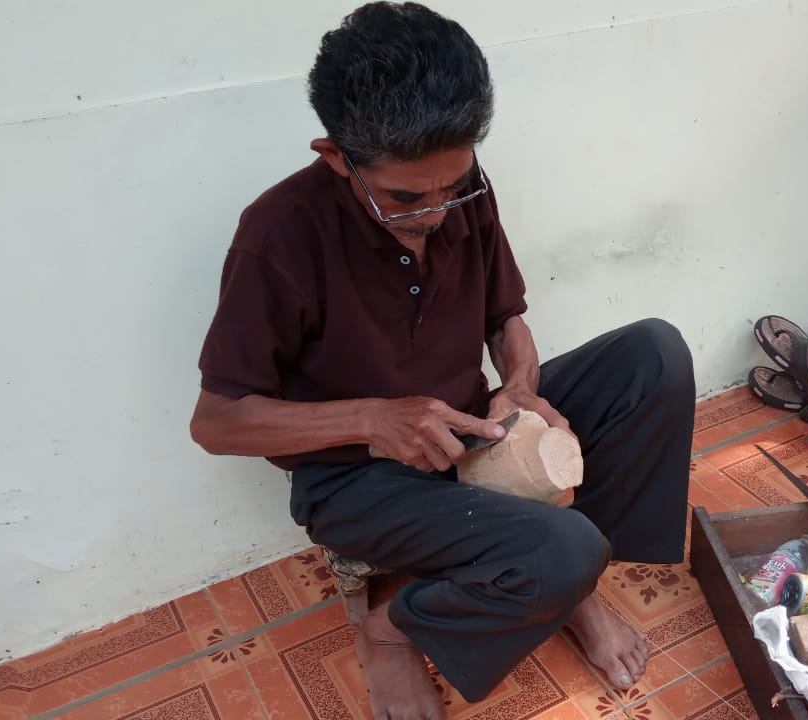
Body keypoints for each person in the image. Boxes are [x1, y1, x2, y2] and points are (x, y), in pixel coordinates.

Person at [189, 3, 695, 718]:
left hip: (473, 435)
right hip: (357, 482)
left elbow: (505, 318)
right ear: (335, 156)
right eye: (404, 197)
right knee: (562, 550)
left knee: (655, 355)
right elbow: (215, 423)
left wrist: (518, 388)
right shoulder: (278, 234)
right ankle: (392, 631)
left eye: (450, 189)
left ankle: (573, 575)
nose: (433, 213)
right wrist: (373, 418)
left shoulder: (459, 190)